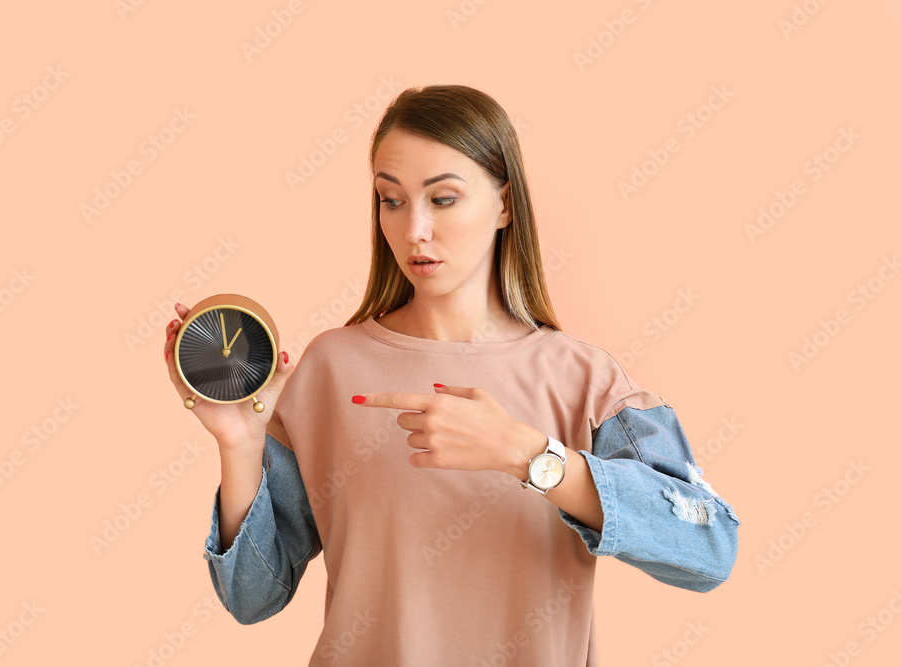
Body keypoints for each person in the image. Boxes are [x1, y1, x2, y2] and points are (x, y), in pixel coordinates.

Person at [163, 84, 740, 666]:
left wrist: (532, 457)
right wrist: (239, 445)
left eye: (443, 199)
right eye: (391, 200)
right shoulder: (331, 367)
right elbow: (251, 596)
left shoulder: (582, 378)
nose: (414, 230)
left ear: (506, 204)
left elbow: (709, 544)